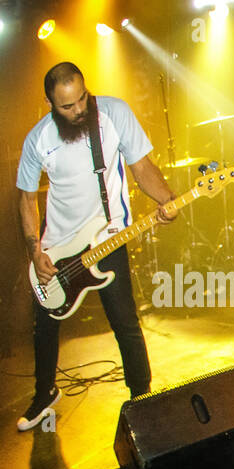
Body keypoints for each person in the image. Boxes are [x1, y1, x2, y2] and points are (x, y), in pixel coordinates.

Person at [15, 62, 176, 431]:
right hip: (55, 246)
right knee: (46, 323)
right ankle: (44, 394)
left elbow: (142, 166)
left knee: (125, 321)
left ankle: (142, 398)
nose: (78, 111)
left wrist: (166, 198)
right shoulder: (38, 138)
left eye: (82, 99)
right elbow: (25, 198)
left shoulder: (114, 113)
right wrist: (34, 250)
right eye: (67, 107)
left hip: (107, 238)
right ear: (50, 104)